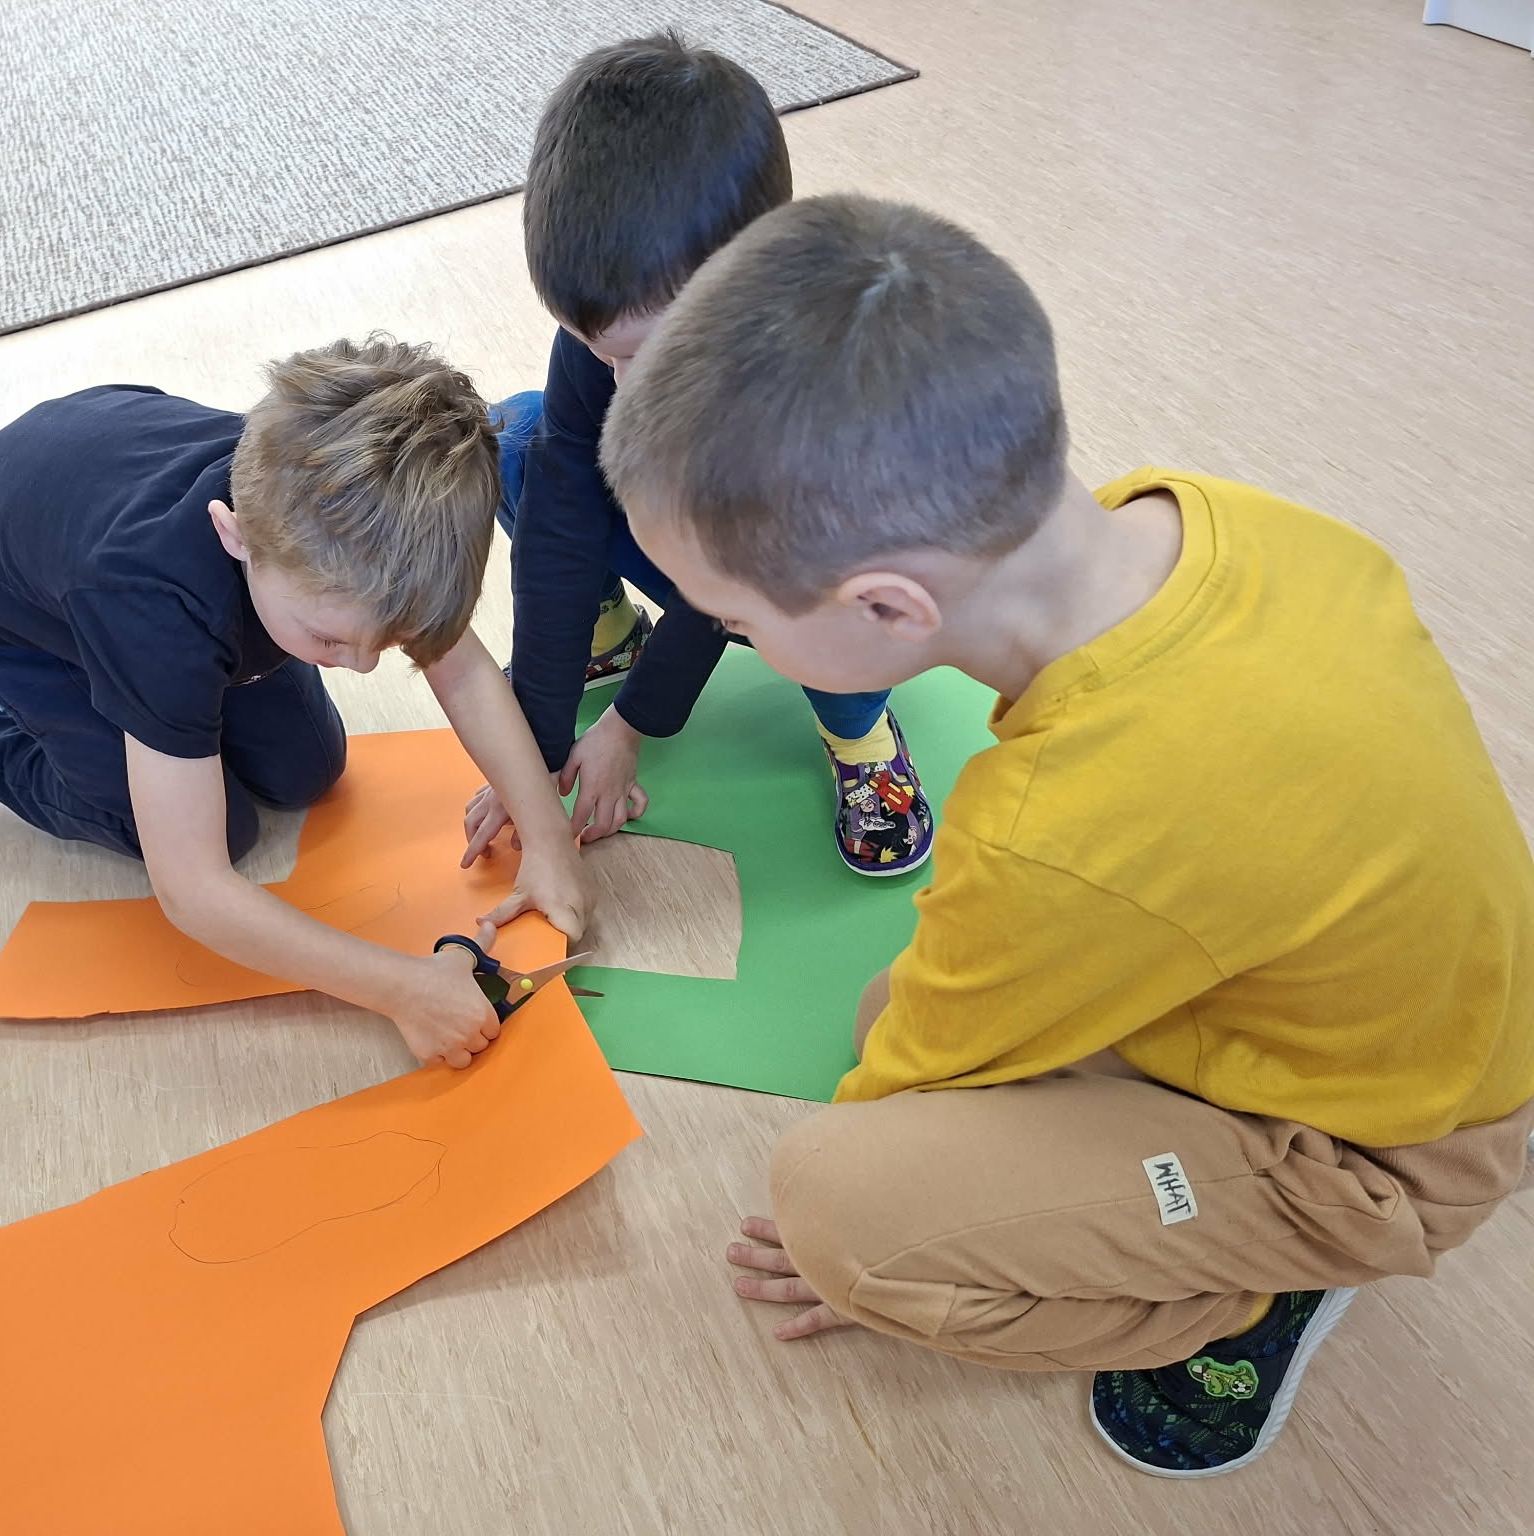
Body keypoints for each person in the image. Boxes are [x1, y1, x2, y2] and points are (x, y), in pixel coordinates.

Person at [599, 193, 1534, 1476]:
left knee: (837, 1205)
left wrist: (884, 1251)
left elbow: (899, 1098)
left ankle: (1260, 1288)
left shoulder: (1061, 824)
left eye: (737, 622)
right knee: (887, 1012)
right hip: (1378, 1010)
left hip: (1381, 1155)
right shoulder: (1200, 512)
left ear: (886, 608)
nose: (738, 643)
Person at [0, 338, 589, 1069]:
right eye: (331, 640)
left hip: (98, 498)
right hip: (16, 607)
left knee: (310, 771)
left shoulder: (340, 526)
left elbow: (463, 673)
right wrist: (402, 990)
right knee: (222, 833)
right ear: (236, 537)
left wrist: (547, 839)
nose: (364, 665)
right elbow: (193, 892)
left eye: (389, 640)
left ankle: (186, 694)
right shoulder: (154, 612)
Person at [464, 33, 935, 877]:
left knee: (842, 587)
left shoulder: (815, 388)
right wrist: (535, 747)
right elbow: (563, 514)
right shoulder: (627, 322)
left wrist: (630, 725)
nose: (617, 378)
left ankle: (862, 740)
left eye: (640, 355)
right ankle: (611, 637)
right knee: (522, 440)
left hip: (804, 568)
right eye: (594, 348)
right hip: (687, 535)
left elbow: (734, 575)